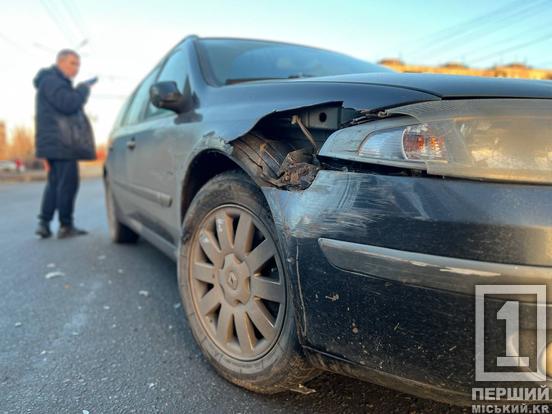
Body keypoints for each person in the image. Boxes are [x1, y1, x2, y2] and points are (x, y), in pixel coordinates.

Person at [33, 49, 97, 239]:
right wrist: (84, 89)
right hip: (61, 142)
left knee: (55, 183)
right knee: (67, 183)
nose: (76, 68)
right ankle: (65, 226)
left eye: (78, 64)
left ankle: (44, 223)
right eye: (72, 63)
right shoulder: (53, 81)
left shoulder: (51, 82)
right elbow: (68, 104)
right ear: (60, 62)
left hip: (55, 142)